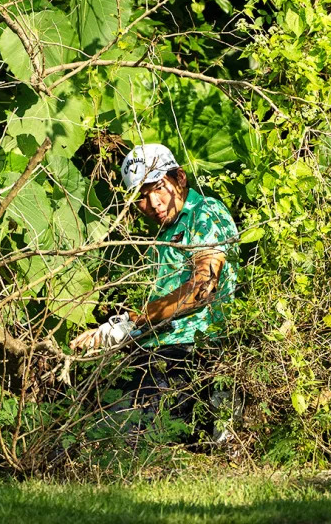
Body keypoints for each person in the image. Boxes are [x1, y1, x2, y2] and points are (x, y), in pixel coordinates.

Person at [69, 143, 240, 442]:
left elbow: (200, 291)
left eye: (158, 188)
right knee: (93, 421)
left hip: (194, 351)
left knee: (122, 435)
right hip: (158, 350)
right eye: (141, 197)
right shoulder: (165, 232)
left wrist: (129, 323)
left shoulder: (205, 213)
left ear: (180, 179)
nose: (154, 204)